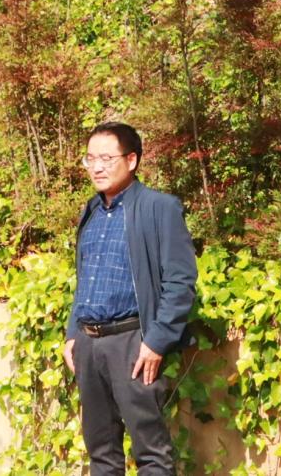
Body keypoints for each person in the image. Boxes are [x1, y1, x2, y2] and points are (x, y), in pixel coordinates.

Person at [62, 122, 197, 476]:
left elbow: (181, 281)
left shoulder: (159, 208)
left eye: (106, 158)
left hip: (133, 343)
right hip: (89, 345)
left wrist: (156, 341)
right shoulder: (91, 211)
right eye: (90, 158)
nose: (97, 167)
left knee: (150, 453)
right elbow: (85, 279)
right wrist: (73, 334)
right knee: (101, 452)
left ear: (132, 160)